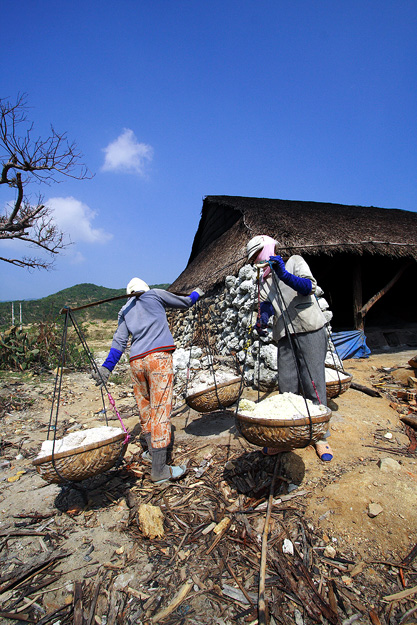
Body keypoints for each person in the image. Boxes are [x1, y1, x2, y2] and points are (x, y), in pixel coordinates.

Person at [92, 277, 204, 483]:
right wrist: (197, 293)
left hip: (136, 362)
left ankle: (152, 453)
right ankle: (159, 469)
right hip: (158, 359)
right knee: (160, 409)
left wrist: (106, 367)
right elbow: (186, 302)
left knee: (145, 408)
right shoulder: (155, 294)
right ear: (145, 289)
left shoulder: (125, 310)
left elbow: (119, 341)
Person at [246, 235, 333, 461]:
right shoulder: (264, 281)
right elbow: (267, 305)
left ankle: (320, 436)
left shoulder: (294, 262)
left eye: (256, 255)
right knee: (287, 387)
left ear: (266, 250)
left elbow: (308, 287)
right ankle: (288, 436)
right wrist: (262, 320)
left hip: (309, 328)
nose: (255, 261)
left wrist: (283, 274)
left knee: (313, 382)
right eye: (253, 259)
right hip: (285, 334)